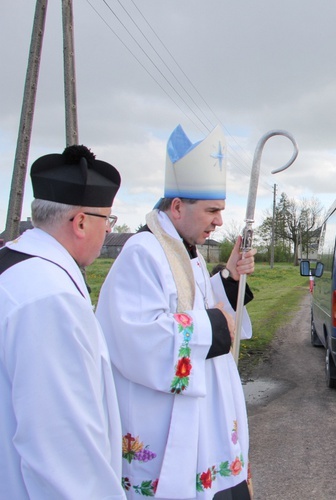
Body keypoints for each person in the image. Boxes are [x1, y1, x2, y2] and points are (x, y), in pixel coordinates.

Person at [96, 125, 255, 499]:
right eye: (212, 210)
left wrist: (229, 278)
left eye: (221, 211)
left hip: (205, 416)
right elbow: (136, 337)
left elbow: (196, 305)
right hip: (163, 419)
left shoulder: (188, 251)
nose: (219, 221)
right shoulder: (142, 252)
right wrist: (215, 325)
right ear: (178, 207)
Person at [0, 146, 124, 498]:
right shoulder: (49, 300)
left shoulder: (16, 266)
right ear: (81, 222)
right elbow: (62, 452)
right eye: (108, 220)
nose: (108, 231)